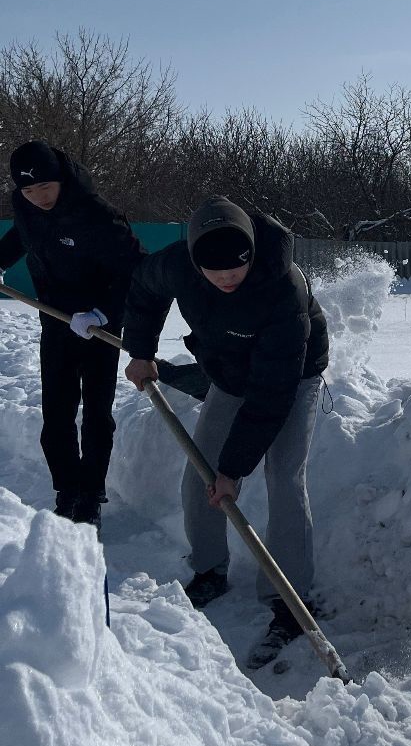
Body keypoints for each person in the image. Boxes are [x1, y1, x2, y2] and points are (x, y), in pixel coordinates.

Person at [121, 195, 328, 668]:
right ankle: (210, 569)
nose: (227, 279)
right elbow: (143, 290)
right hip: (229, 371)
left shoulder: (282, 287)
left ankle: (288, 600)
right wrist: (140, 349)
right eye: (215, 274)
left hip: (291, 375)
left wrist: (235, 470)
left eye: (236, 269)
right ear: (195, 263)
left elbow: (272, 394)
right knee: (201, 471)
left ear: (253, 252)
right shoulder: (176, 265)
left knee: (283, 477)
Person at [0, 140, 144, 530]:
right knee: (57, 412)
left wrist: (102, 313)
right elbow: (22, 235)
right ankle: (67, 491)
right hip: (56, 320)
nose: (38, 197)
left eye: (45, 187)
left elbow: (135, 270)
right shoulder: (27, 208)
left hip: (99, 326)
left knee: (97, 412)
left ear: (60, 178)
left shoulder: (97, 215)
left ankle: (91, 494)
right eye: (28, 191)